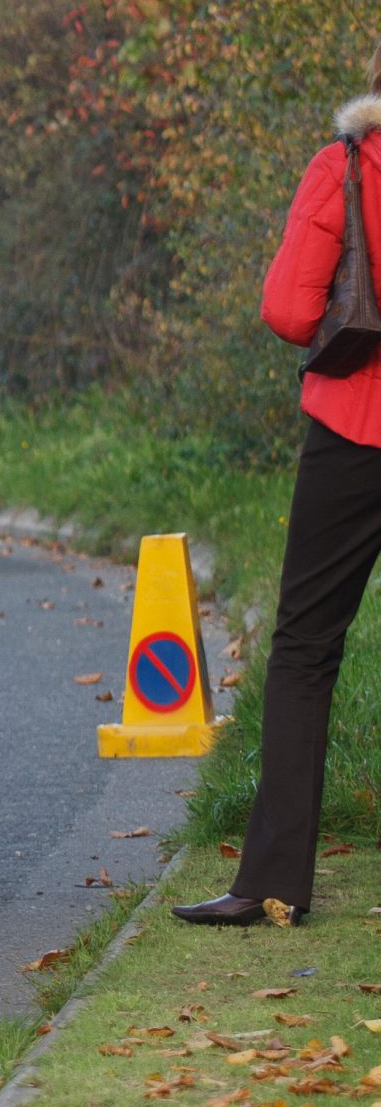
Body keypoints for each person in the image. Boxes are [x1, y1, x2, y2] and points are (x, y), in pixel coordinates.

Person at [174, 75, 381, 929]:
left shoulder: (344, 166)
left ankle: (272, 885)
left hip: (356, 426)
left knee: (303, 650)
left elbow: (289, 311)